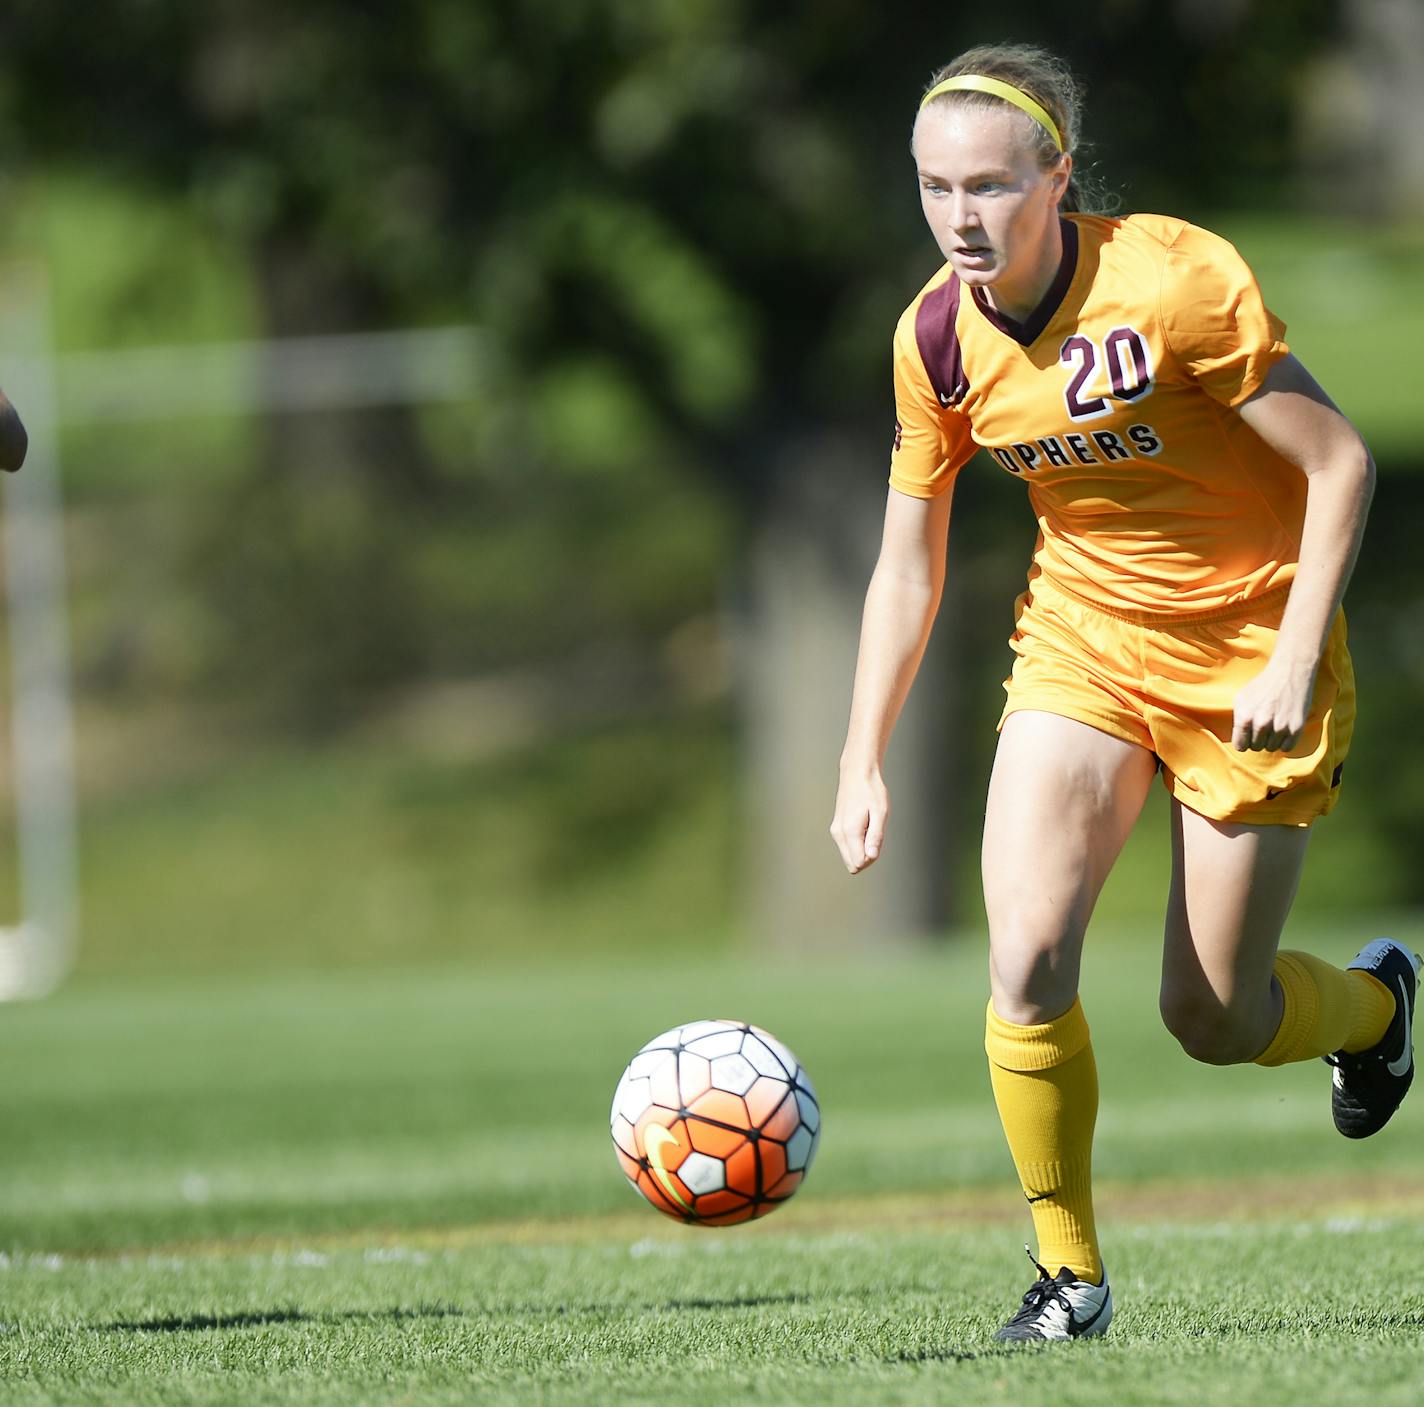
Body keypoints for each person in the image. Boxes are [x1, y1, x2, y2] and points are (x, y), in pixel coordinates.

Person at [829, 42, 1416, 1343]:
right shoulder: (934, 338)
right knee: (1026, 956)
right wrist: (861, 754)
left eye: (988, 185)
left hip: (1254, 642)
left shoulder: (1175, 282)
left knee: (1213, 1016)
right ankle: (1068, 1278)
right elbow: (905, 569)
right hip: (1084, 645)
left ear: (1059, 175)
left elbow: (1340, 465)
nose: (959, 217)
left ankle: (1376, 1009)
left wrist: (1289, 649)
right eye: (933, 187)